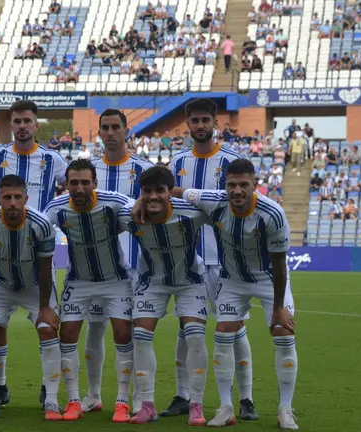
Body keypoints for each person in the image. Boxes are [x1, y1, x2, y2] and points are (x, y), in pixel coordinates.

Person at [151, 98, 258, 419]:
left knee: (235, 327)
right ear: (188, 124)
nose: (200, 126)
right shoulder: (177, 163)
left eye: (205, 120)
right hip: (188, 257)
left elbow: (240, 201)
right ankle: (183, 395)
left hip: (226, 257)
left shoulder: (233, 161)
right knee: (187, 327)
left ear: (215, 123)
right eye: (194, 120)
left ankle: (246, 399)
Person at [179, 159, 299, 430]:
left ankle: (285, 409)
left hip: (268, 280)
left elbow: (279, 265)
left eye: (243, 185)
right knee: (223, 333)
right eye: (232, 185)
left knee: (283, 332)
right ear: (225, 185)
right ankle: (226, 408)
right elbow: (177, 191)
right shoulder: (213, 201)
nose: (237, 191)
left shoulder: (273, 214)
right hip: (232, 280)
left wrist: (279, 307)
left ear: (254, 185)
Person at [0, 100, 67, 406]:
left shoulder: (52, 159)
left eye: (27, 120)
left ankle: (47, 389)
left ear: (36, 125)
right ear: (11, 125)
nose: (22, 126)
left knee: (47, 324)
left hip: (40, 251)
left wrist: (52, 216)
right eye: (17, 121)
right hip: (3, 251)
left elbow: (70, 190)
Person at [117, 166, 210, 425]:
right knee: (141, 335)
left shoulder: (192, 213)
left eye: (161, 190)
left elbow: (219, 202)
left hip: (189, 280)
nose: (154, 196)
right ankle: (147, 405)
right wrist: (137, 201)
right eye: (147, 191)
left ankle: (196, 404)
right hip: (152, 281)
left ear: (171, 193)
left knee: (194, 335)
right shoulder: (130, 215)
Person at [44, 159, 135, 423]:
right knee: (68, 333)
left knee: (122, 332)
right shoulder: (57, 207)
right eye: (74, 182)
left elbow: (139, 215)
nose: (80, 188)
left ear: (95, 183)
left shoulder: (115, 202)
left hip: (115, 279)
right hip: (78, 280)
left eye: (85, 182)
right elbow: (36, 227)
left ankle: (122, 401)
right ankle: (74, 400)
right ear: (66, 184)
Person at [0, 174, 63, 420]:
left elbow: (45, 267)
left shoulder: (41, 223)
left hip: (35, 284)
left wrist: (44, 307)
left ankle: (51, 400)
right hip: (1, 283)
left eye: (17, 197)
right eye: (7, 197)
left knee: (47, 327)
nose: (12, 203)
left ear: (26, 199)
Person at [86, 109, 154, 414]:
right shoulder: (87, 172)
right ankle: (93, 394)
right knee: (95, 328)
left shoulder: (145, 171)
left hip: (139, 268)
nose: (111, 132)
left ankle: (138, 396)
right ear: (99, 133)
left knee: (135, 333)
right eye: (105, 128)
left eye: (116, 127)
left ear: (127, 131)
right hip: (98, 269)